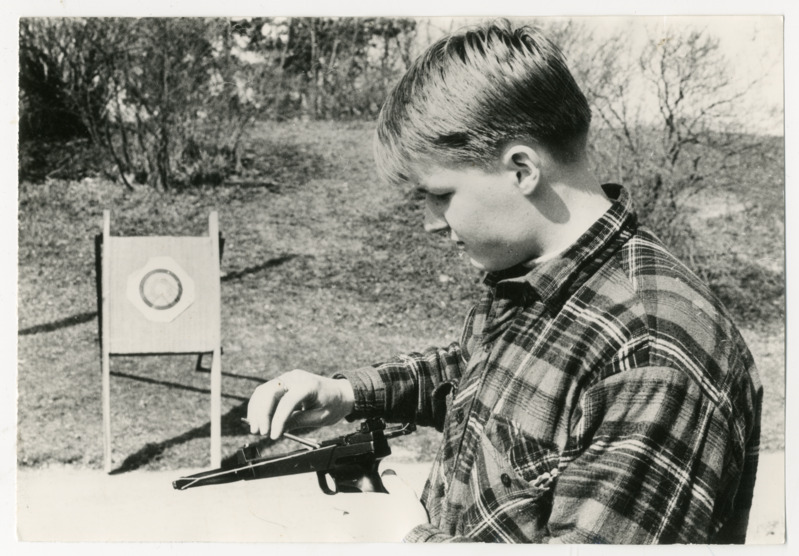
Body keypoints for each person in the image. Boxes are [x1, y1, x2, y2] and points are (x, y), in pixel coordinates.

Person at [247, 21, 762, 544]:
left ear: (521, 169)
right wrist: (345, 392)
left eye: (439, 194)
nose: (428, 221)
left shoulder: (651, 353)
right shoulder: (539, 278)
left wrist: (403, 538)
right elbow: (479, 375)